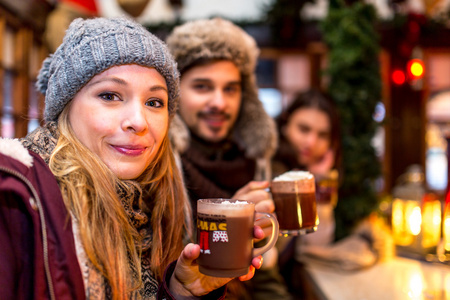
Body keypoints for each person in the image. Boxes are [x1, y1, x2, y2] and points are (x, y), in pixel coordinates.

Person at [0, 17, 264, 299]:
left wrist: (179, 292)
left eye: (154, 102)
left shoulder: (152, 203)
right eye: (110, 95)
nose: (139, 122)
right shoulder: (15, 195)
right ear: (66, 106)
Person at [166, 18, 291, 300]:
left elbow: (268, 283)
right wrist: (228, 223)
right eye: (202, 87)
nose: (219, 102)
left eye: (230, 89)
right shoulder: (156, 170)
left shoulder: (258, 165)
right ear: (174, 92)